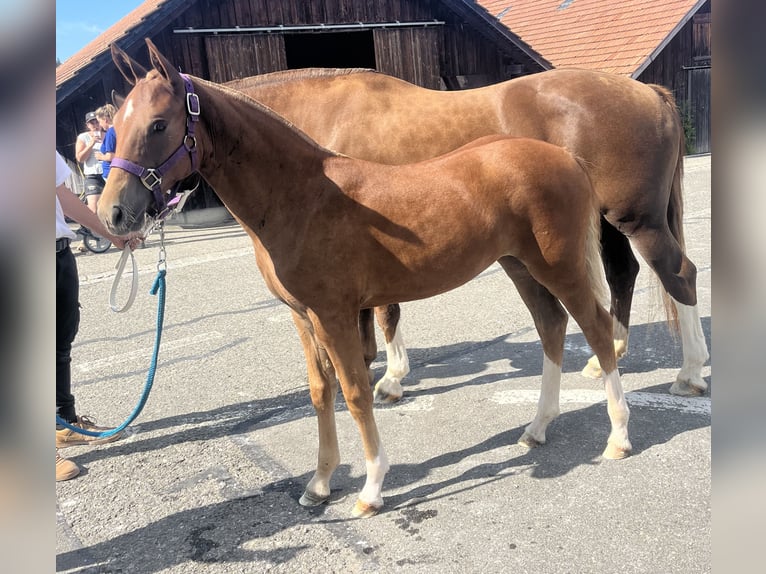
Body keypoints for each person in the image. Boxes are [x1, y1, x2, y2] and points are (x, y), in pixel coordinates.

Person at [56, 150, 141, 481]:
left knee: (60, 344)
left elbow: (61, 195)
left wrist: (112, 235)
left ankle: (62, 422)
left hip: (57, 251)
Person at [74, 111, 105, 251]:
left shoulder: (108, 135)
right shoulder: (83, 137)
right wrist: (91, 143)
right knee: (93, 209)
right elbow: (80, 158)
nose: (95, 125)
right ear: (87, 125)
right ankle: (85, 238)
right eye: (92, 123)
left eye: (96, 121)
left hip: (108, 174)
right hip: (93, 175)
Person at [94, 104, 117, 179]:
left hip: (110, 172)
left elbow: (111, 156)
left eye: (99, 121)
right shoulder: (117, 129)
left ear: (105, 120)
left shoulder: (110, 133)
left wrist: (100, 156)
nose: (100, 125)